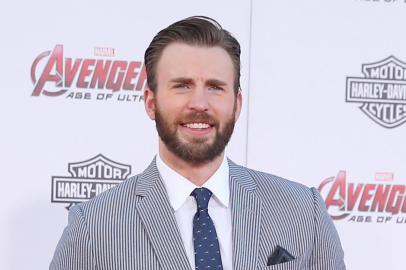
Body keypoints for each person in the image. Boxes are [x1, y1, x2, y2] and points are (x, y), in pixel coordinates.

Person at [50, 16, 345, 270]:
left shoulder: (304, 212)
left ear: (237, 104)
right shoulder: (94, 226)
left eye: (215, 87)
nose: (199, 103)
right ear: (151, 102)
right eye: (182, 86)